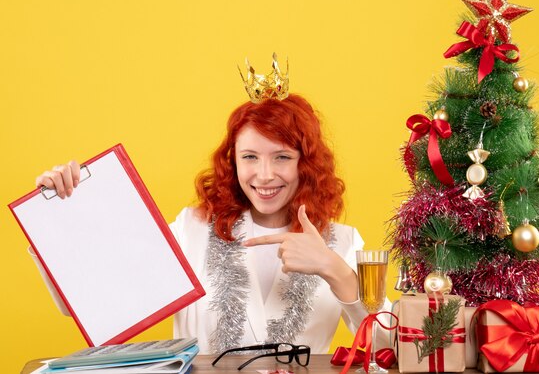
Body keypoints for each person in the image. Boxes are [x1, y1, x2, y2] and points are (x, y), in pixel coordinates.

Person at [33, 58, 389, 355]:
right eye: (250, 156)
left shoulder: (341, 241)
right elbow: (89, 300)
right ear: (232, 161)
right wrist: (60, 213)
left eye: (282, 157)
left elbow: (395, 349)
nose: (264, 175)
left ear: (306, 164)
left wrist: (336, 271)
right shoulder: (192, 229)